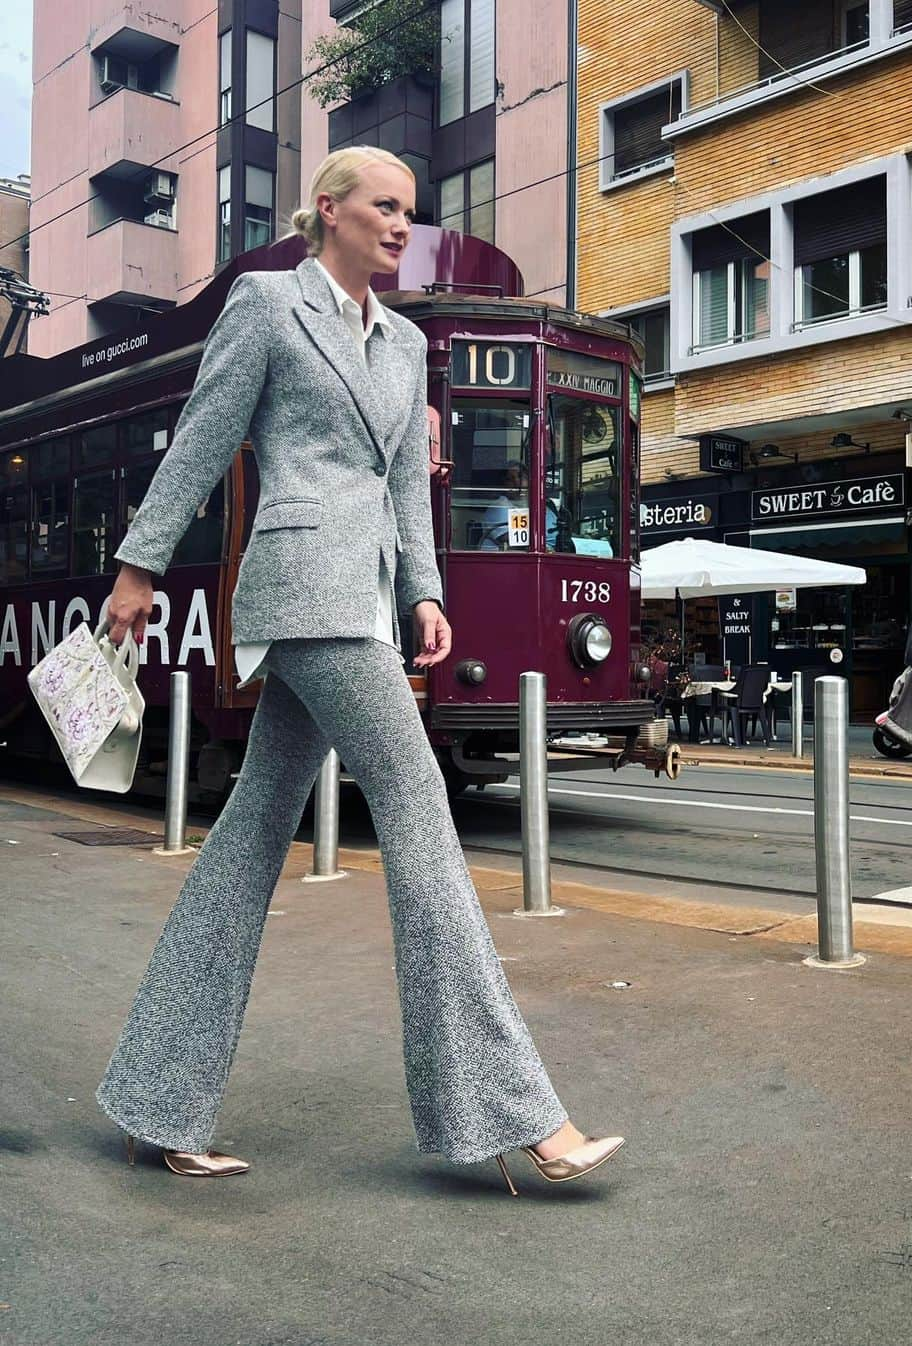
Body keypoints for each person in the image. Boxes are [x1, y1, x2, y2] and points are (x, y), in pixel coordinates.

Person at [96, 146, 624, 1195]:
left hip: (367, 598)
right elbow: (203, 439)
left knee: (248, 836)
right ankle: (518, 1111)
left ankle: (155, 1100)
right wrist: (139, 562)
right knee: (419, 802)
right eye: (384, 207)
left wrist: (425, 591)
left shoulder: (407, 343)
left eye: (408, 211)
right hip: (301, 588)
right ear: (328, 210)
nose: (400, 225)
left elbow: (403, 487)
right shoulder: (264, 306)